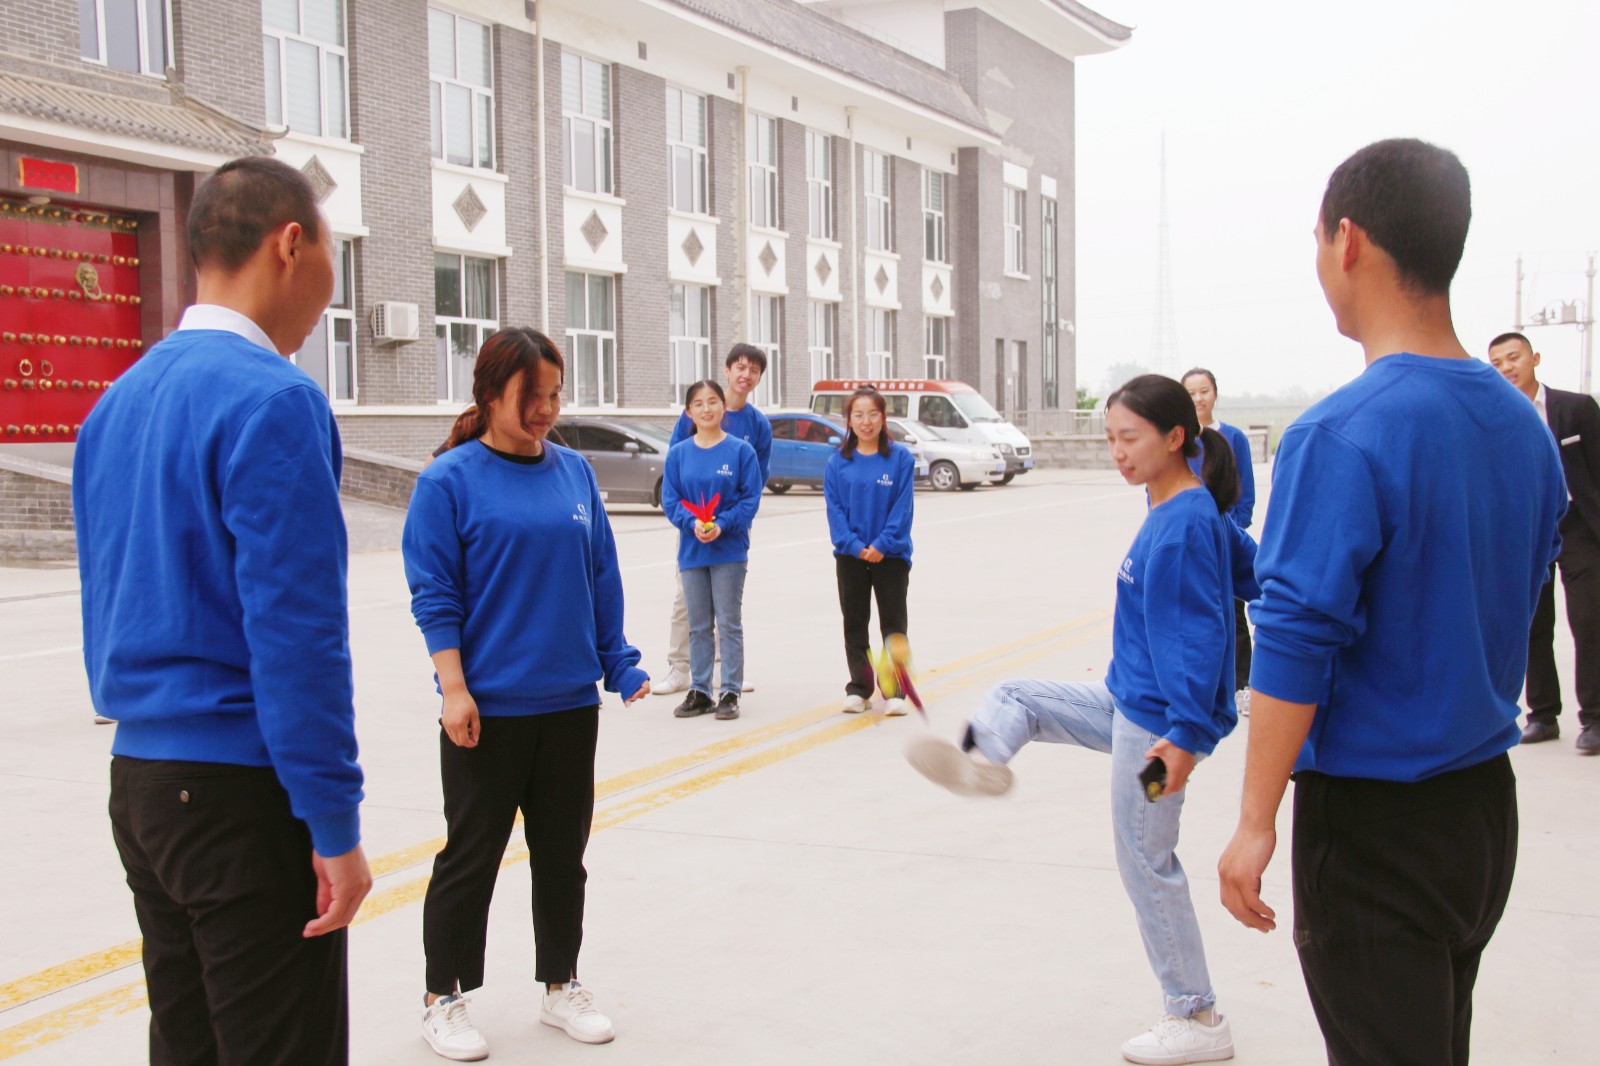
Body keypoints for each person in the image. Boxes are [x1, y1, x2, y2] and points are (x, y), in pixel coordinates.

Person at [1217, 139, 1566, 1066]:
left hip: (1377, 826)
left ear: (1350, 241)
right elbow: (1522, 593)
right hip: (1481, 810)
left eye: (1316, 240)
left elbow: (1294, 640)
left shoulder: (1342, 433)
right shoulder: (1523, 428)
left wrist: (1255, 822)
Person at [73, 156, 371, 1065]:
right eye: (333, 254)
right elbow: (299, 636)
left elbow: (109, 596)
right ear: (291, 244)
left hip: (141, 785)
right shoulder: (274, 399)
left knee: (188, 1045)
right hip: (240, 791)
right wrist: (334, 821)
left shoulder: (115, 403)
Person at [907, 374, 1242, 1065]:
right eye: (1110, 438)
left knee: (1146, 862)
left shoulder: (1182, 523)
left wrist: (1186, 737)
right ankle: (983, 759)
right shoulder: (1177, 502)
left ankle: (1197, 1015)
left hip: (1157, 731)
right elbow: (1251, 568)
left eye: (1130, 438)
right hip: (1127, 700)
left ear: (1175, 437)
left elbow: (1196, 637)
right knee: (1019, 696)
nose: (1117, 452)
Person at [401, 328, 650, 1060]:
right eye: (530, 396)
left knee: (562, 856)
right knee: (470, 857)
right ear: (489, 395)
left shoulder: (574, 473)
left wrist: (618, 662)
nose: (545, 409)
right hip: (488, 709)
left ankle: (560, 984)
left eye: (554, 395)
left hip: (568, 704)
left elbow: (600, 574)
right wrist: (453, 689)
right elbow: (435, 594)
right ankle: (442, 997)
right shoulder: (449, 481)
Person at [1487, 330, 1600, 754]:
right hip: (1527, 528)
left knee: (1589, 622)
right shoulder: (1494, 417)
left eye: (1513, 358)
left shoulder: (1576, 408)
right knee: (1533, 623)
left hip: (1579, 527)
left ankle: (1595, 719)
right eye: (1497, 363)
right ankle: (1542, 715)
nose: (1506, 368)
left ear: (1535, 358)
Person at [654, 345, 772, 696]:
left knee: (727, 607)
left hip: (731, 527)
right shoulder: (694, 414)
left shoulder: (757, 425)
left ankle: (724, 673)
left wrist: (727, 520)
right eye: (740, 367)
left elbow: (755, 482)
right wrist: (694, 521)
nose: (746, 375)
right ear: (727, 369)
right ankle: (681, 668)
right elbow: (677, 472)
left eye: (754, 370)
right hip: (694, 527)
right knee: (686, 601)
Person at [823, 386, 917, 714]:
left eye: (873, 414)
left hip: (891, 556)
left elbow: (902, 509)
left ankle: (895, 692)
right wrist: (854, 546)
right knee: (855, 623)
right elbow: (834, 510)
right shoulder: (838, 463)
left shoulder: (900, 459)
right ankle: (859, 689)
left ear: (883, 417)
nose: (866, 422)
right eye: (859, 415)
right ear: (849, 420)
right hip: (851, 557)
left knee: (893, 625)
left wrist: (882, 544)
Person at [1182, 368, 1257, 708]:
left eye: (1204, 390)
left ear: (1215, 393)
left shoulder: (1233, 438)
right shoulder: (1178, 440)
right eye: (1191, 392)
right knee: (1193, 617)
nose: (1199, 398)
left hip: (1226, 547)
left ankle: (1241, 687)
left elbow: (1245, 496)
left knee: (1234, 617)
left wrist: (1227, 535)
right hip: (1188, 547)